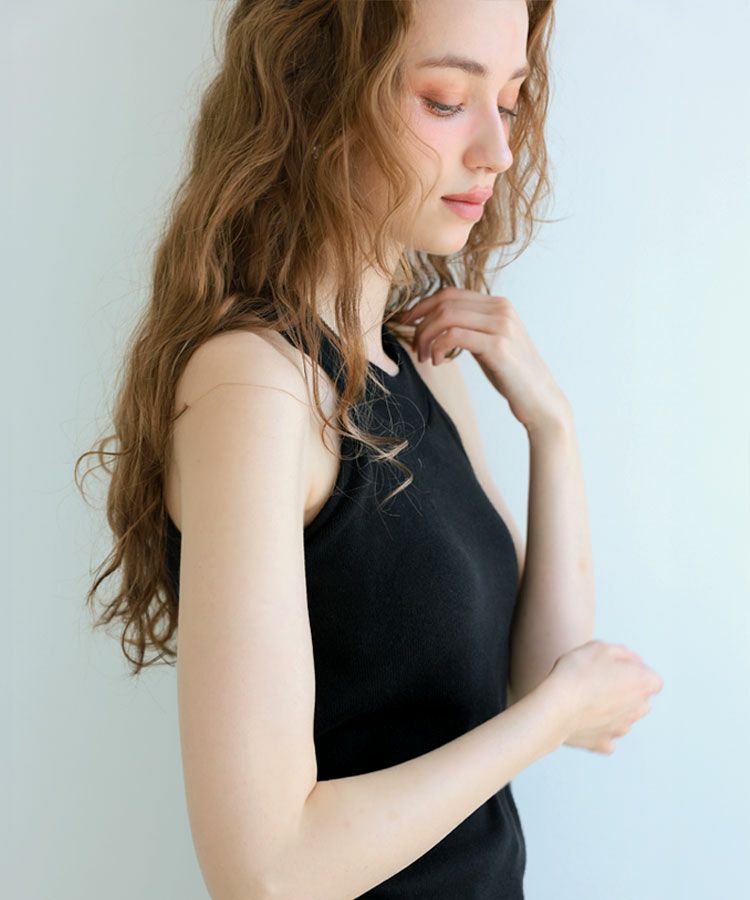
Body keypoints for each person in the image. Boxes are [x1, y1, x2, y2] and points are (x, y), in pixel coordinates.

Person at [75, 0, 664, 896]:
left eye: (508, 103)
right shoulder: (256, 388)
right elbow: (265, 872)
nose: (498, 151)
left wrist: (553, 426)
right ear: (318, 92)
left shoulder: (420, 363)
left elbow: (544, 673)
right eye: (445, 100)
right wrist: (549, 721)